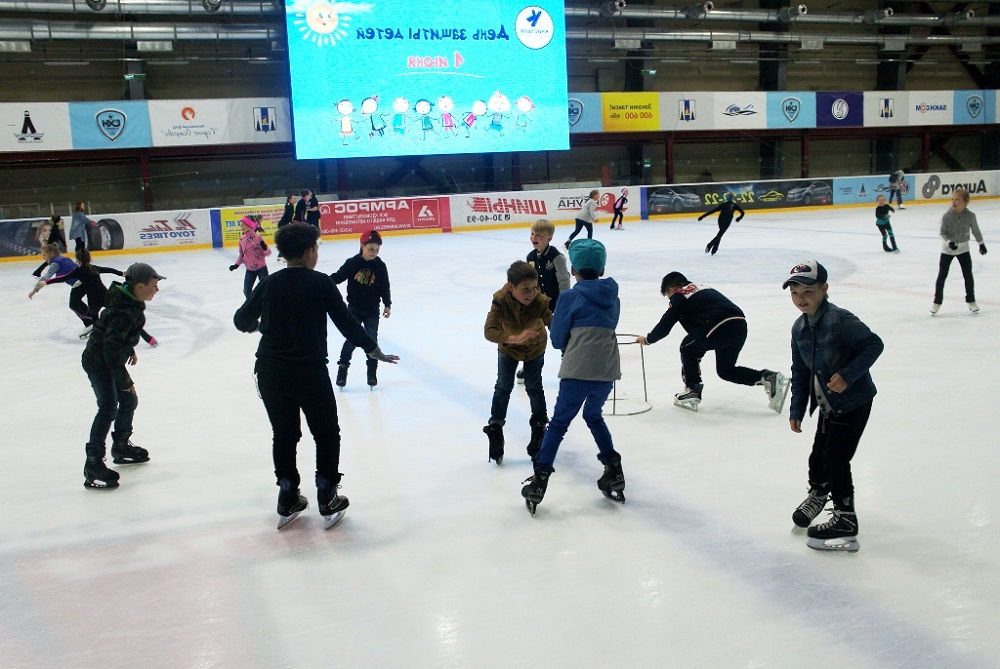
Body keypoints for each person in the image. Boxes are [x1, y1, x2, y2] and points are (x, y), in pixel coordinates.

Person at [233, 223, 399, 529]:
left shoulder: (269, 283)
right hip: (308, 371)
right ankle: (326, 494)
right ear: (310, 251)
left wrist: (262, 329)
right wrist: (374, 350)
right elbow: (348, 325)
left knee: (284, 433)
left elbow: (241, 319)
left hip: (270, 370)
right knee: (325, 432)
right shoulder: (320, 283)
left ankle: (287, 495)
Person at [783, 260, 884, 551]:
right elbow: (800, 371)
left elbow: (873, 344)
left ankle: (845, 518)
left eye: (808, 292)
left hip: (853, 402)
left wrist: (848, 375)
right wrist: (796, 409)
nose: (801, 299)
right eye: (795, 293)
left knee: (836, 459)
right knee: (819, 457)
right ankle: (818, 494)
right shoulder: (799, 328)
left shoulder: (839, 319)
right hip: (829, 405)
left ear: (824, 289)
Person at [520, 239, 623, 513]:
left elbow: (556, 340)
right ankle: (614, 469)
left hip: (577, 369)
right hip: (607, 370)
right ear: (602, 269)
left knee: (559, 425)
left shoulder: (569, 297)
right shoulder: (613, 296)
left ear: (574, 268)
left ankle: (539, 480)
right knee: (593, 415)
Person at [635, 272, 788, 413]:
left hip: (718, 325)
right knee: (725, 371)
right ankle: (768, 377)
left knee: (687, 347)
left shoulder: (680, 294)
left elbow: (666, 323)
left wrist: (648, 339)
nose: (670, 300)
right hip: (739, 325)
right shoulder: (701, 288)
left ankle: (693, 389)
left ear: (672, 289)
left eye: (668, 296)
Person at [80, 262, 165, 490]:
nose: (156, 290)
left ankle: (120, 446)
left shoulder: (129, 304)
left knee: (128, 400)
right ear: (139, 286)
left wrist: (129, 349)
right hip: (98, 361)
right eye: (153, 285)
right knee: (109, 406)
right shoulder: (123, 311)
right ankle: (93, 463)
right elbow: (109, 350)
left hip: (108, 358)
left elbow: (117, 338)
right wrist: (125, 381)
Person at [483, 260, 552, 466]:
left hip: (534, 348)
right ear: (511, 287)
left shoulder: (539, 301)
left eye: (534, 288)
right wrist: (515, 338)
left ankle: (539, 429)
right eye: (525, 289)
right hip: (509, 349)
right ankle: (495, 429)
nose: (531, 293)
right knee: (503, 387)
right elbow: (489, 331)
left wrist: (568, 336)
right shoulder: (500, 300)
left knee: (534, 387)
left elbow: (551, 322)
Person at [331, 230, 392, 389]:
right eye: (371, 249)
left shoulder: (380, 266)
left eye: (377, 249)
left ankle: (372, 372)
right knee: (352, 340)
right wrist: (323, 284)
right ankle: (342, 369)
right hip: (354, 309)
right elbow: (338, 277)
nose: (374, 253)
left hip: (372, 310)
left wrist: (387, 304)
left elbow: (384, 286)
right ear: (362, 246)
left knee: (371, 340)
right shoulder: (353, 263)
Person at [516, 219, 570, 385]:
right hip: (538, 305)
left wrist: (563, 303)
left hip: (556, 304)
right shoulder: (530, 257)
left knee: (560, 335)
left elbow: (564, 281)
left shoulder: (557, 257)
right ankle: (528, 367)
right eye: (532, 234)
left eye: (539, 235)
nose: (534, 237)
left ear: (549, 238)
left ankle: (569, 366)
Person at [932, 187, 986, 315]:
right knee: (942, 276)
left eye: (957, 199)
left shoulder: (971, 216)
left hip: (963, 249)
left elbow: (976, 231)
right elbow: (942, 233)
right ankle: (937, 302)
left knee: (968, 276)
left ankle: (971, 300)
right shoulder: (947, 216)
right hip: (947, 250)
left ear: (965, 201)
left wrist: (981, 244)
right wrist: (949, 243)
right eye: (953, 199)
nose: (954, 202)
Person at [27, 243, 88, 334]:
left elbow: (45, 278)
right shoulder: (64, 259)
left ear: (51, 253)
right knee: (77, 303)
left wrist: (34, 291)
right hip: (85, 281)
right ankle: (93, 320)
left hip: (79, 284)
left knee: (73, 305)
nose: (43, 257)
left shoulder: (56, 263)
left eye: (44, 254)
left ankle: (89, 323)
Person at [229, 215, 271, 299]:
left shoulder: (258, 238)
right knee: (247, 290)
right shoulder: (242, 239)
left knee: (266, 289)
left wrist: (265, 248)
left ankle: (266, 306)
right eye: (241, 224)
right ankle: (253, 306)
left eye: (243, 224)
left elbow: (268, 253)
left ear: (249, 225)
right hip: (250, 270)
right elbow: (241, 255)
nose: (241, 226)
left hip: (261, 268)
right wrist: (236, 265)